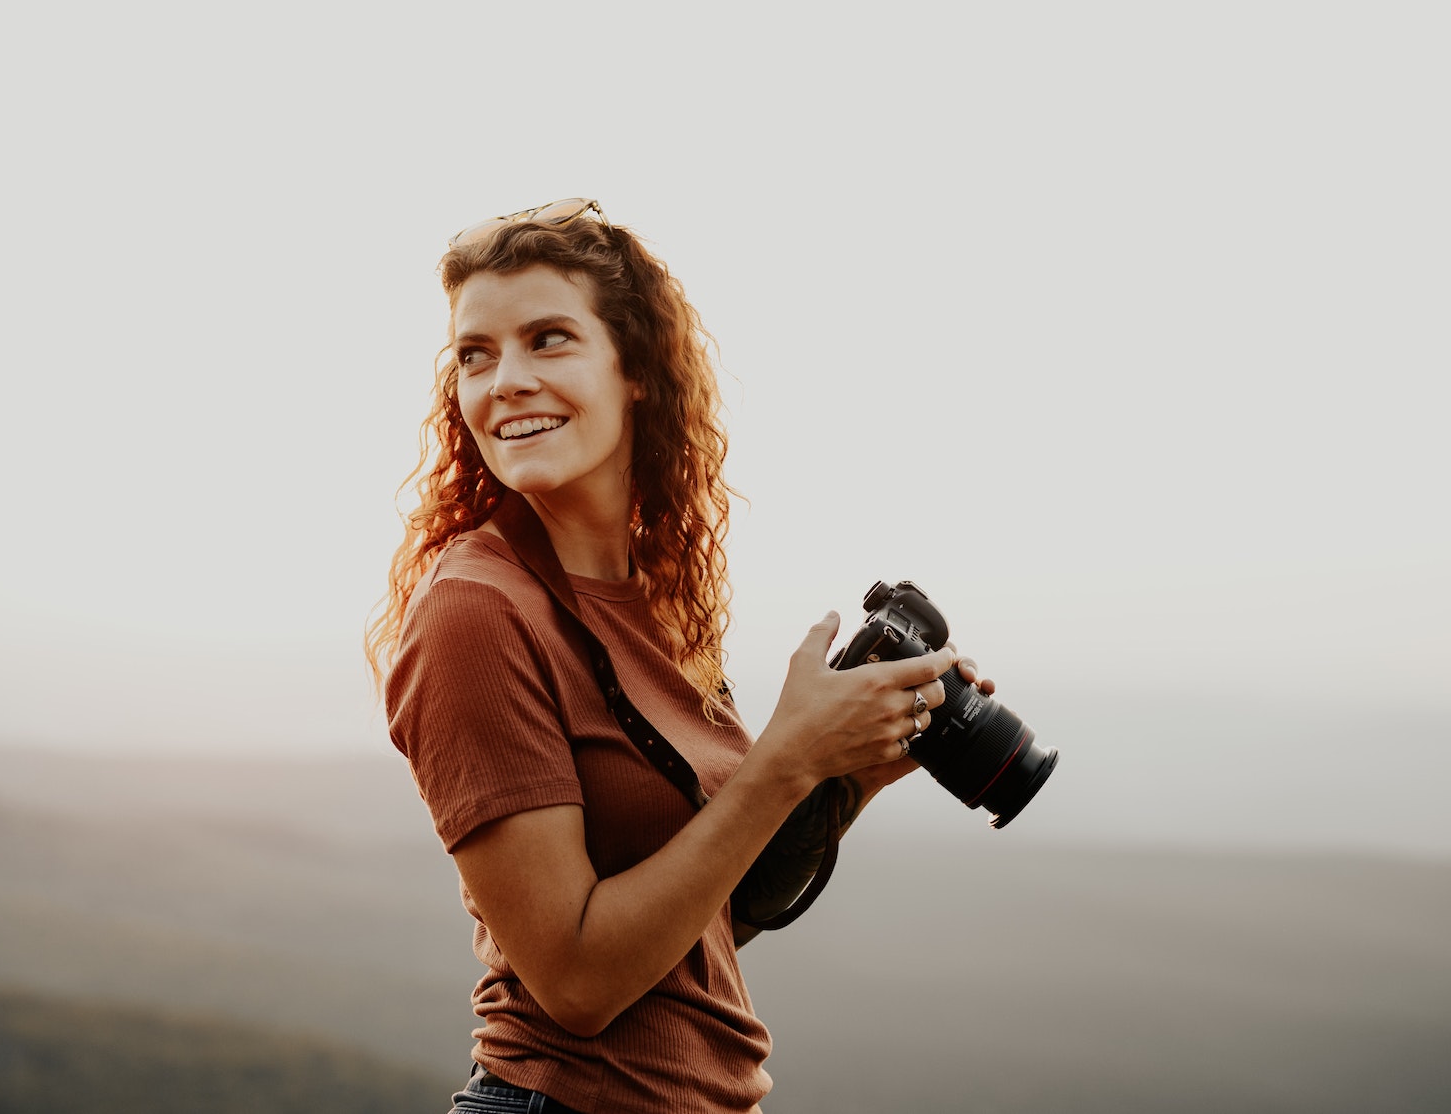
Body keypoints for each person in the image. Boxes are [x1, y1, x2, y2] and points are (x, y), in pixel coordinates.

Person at [367, 199, 993, 1113]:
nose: (504, 380)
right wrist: (786, 755)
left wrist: (850, 774)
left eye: (548, 339)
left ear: (637, 374)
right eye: (476, 353)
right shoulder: (475, 610)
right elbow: (578, 984)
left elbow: (716, 915)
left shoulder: (652, 602)